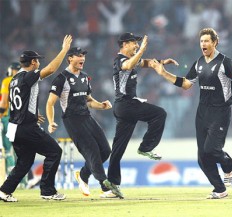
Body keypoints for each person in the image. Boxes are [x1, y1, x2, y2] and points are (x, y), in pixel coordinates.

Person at [151, 28, 232, 199]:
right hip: (202, 113)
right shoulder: (199, 62)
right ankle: (220, 189)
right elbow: (186, 84)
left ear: (215, 42)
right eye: (201, 41)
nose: (203, 44)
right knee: (202, 158)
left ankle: (228, 166)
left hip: (220, 112)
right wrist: (163, 73)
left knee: (211, 149)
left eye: (207, 41)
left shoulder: (225, 62)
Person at [0, 35, 73, 202]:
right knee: (54, 151)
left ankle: (4, 191)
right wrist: (64, 51)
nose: (39, 62)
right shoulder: (28, 76)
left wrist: (31, 114)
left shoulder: (13, 80)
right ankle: (47, 191)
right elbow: (50, 70)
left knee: (24, 162)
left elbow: (16, 103)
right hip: (26, 127)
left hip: (15, 126)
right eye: (37, 60)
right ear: (33, 63)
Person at [107, 32, 178, 198]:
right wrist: (142, 50)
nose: (137, 46)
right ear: (124, 44)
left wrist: (161, 62)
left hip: (124, 108)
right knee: (159, 114)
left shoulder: (131, 59)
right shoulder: (120, 60)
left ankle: (112, 185)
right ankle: (145, 147)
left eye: (138, 44)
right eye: (134, 43)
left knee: (118, 148)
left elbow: (143, 62)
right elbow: (129, 65)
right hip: (127, 105)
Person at [46, 47, 116, 199]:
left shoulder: (84, 77)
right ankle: (106, 188)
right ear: (70, 58)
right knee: (93, 152)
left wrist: (102, 105)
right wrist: (50, 121)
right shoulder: (61, 78)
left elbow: (89, 101)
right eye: (79, 55)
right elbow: (50, 103)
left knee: (105, 151)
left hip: (87, 117)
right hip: (72, 120)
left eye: (83, 55)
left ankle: (83, 176)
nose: (82, 58)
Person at [0, 62, 21, 176]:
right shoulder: (26, 80)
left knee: (8, 149)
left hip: (9, 119)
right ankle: (23, 181)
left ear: (11, 70)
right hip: (23, 119)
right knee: (21, 150)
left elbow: (3, 103)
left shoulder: (8, 81)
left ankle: (12, 177)